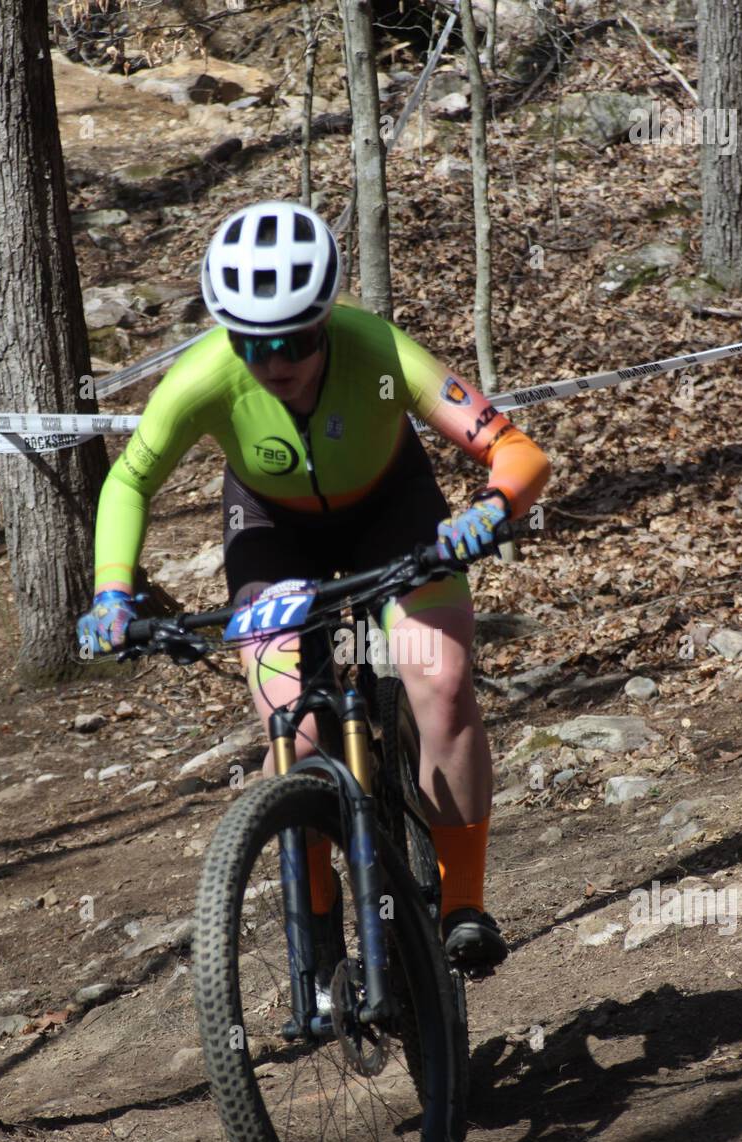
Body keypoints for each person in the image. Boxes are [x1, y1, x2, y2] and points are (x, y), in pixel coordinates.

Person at [77, 199, 550, 968]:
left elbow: (517, 450)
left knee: (442, 683)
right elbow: (130, 482)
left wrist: (491, 507)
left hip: (393, 513)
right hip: (272, 534)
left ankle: (463, 902)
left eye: (295, 339)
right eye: (253, 343)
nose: (274, 362)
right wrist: (110, 594)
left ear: (327, 319)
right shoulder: (203, 378)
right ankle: (318, 926)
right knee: (290, 734)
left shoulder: (379, 351)